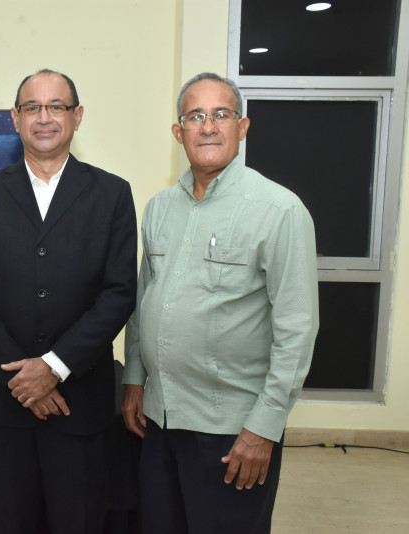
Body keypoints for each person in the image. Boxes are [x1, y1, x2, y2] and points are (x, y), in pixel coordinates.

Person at [122, 72, 319, 533]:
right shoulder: (159, 208)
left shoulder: (280, 210)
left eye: (221, 115)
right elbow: (142, 300)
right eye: (195, 116)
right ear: (179, 132)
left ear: (242, 127)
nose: (208, 126)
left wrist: (264, 427)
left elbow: (297, 327)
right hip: (159, 419)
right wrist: (134, 379)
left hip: (233, 429)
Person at [0, 69, 138, 534]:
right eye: (32, 107)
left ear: (77, 117)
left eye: (56, 106)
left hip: (80, 402)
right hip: (4, 404)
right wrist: (25, 378)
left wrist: (54, 367)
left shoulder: (112, 194)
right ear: (14, 118)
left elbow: (119, 293)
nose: (44, 117)